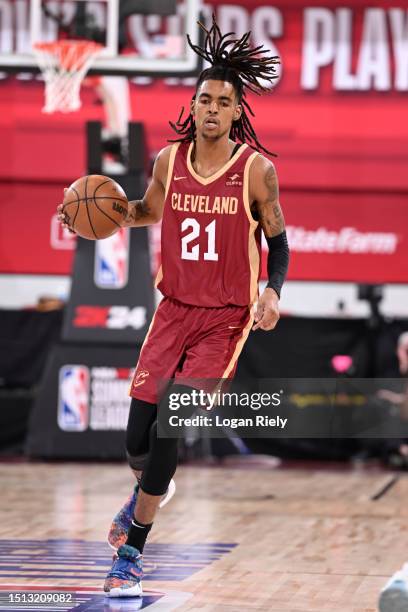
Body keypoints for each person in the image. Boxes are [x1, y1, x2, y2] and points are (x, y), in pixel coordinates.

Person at [58, 16, 289, 598]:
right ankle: (148, 489)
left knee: (169, 426)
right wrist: (98, 218)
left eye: (222, 102)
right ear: (193, 104)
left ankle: (133, 548)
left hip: (225, 319)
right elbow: (146, 212)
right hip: (173, 312)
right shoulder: (168, 161)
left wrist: (272, 290)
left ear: (238, 111)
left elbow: (279, 240)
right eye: (203, 99)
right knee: (137, 438)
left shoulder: (256, 172)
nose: (211, 108)